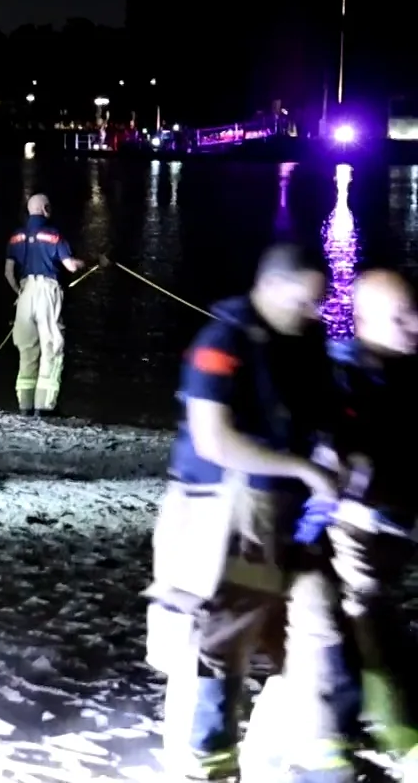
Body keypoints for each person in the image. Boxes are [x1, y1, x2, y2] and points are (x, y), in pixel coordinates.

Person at [146, 243, 346, 782]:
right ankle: (206, 758)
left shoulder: (305, 341)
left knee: (314, 628)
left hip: (293, 516)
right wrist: (303, 470)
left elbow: (326, 412)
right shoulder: (222, 340)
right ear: (273, 285)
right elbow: (213, 440)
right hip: (227, 511)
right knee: (220, 639)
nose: (313, 312)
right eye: (305, 300)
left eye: (318, 303)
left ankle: (300, 752)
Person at [315, 270, 418, 762]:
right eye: (400, 317)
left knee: (361, 624)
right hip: (357, 524)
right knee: (367, 617)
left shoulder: (401, 373)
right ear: (363, 321)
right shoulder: (342, 378)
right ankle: (399, 738)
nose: (414, 325)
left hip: (394, 528)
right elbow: (330, 450)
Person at [3, 193, 86, 417]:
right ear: (46, 209)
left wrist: (18, 292)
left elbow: (8, 272)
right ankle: (45, 405)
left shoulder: (16, 237)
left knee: (26, 350)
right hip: (47, 290)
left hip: (25, 291)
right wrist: (85, 262)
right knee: (51, 347)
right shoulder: (53, 235)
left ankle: (24, 404)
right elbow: (70, 267)